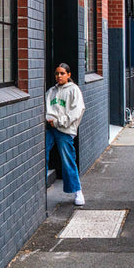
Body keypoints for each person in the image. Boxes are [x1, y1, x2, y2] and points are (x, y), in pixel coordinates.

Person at [45, 63, 86, 206]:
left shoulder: (74, 90)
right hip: (50, 129)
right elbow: (46, 109)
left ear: (68, 75)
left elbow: (77, 110)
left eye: (62, 73)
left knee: (68, 160)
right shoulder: (51, 91)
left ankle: (77, 191)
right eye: (57, 73)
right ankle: (40, 187)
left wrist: (60, 121)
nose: (59, 76)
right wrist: (49, 120)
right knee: (41, 155)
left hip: (65, 130)